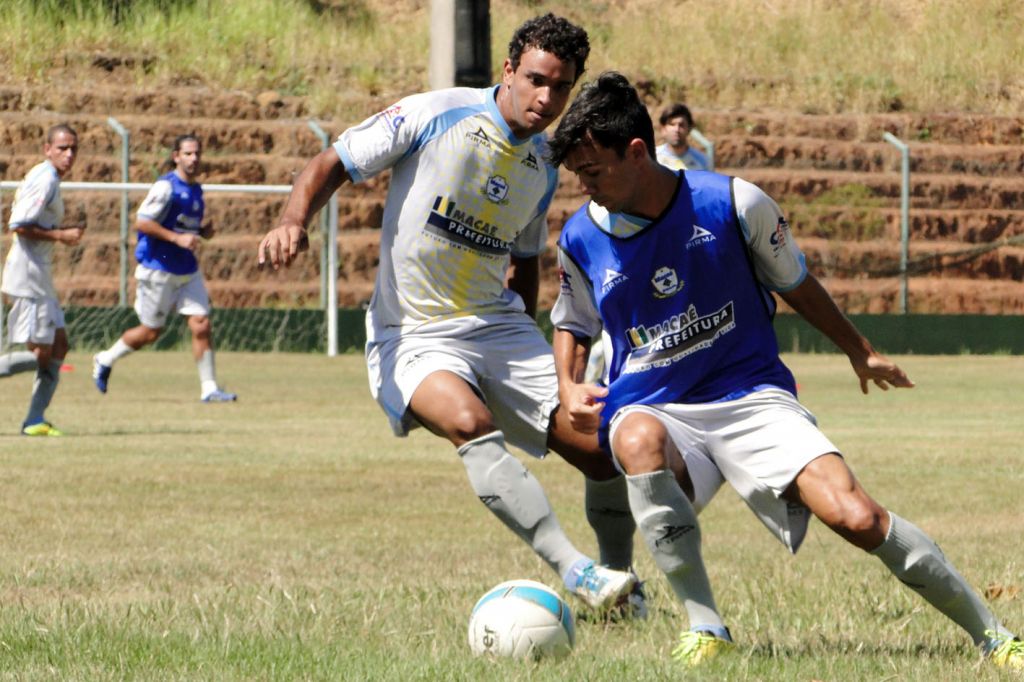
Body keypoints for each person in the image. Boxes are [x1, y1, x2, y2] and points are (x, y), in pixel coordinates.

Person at [546, 72, 1023, 668]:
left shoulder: (733, 203)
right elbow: (572, 319)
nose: (584, 186)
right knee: (638, 441)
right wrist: (568, 385)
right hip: (654, 404)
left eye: (592, 171)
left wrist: (859, 349)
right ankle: (706, 627)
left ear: (636, 152)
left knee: (857, 515)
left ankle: (996, 637)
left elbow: (795, 282)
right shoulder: (580, 236)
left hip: (750, 394)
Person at [255, 14, 644, 612]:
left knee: (601, 449)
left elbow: (524, 259)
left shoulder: (542, 165)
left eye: (561, 87)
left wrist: (525, 339)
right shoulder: (436, 113)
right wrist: (291, 221)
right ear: (509, 69)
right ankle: (577, 572)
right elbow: (329, 162)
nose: (547, 98)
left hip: (496, 326)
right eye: (537, 79)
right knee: (467, 419)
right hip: (412, 331)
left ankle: (621, 587)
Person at [92, 134, 237, 403]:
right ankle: (105, 358)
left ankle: (209, 389)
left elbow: (185, 227)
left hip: (187, 269)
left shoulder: (196, 189)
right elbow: (143, 222)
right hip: (158, 269)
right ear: (176, 156)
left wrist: (202, 232)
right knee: (150, 332)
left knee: (201, 324)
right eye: (188, 154)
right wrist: (177, 238)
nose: (193, 159)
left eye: (197, 154)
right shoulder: (165, 187)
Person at [1, 124, 84, 436]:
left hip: (40, 276)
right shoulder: (46, 178)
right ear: (47, 149)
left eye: (73, 148)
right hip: (28, 276)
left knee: (60, 344)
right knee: (41, 352)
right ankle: (33, 420)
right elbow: (19, 224)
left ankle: (34, 419)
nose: (69, 154)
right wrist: (61, 235)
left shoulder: (48, 177)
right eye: (62, 148)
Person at [655, 102, 710, 171]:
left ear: (689, 128)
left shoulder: (702, 161)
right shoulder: (653, 158)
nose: (676, 129)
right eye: (672, 124)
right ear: (663, 129)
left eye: (681, 125)